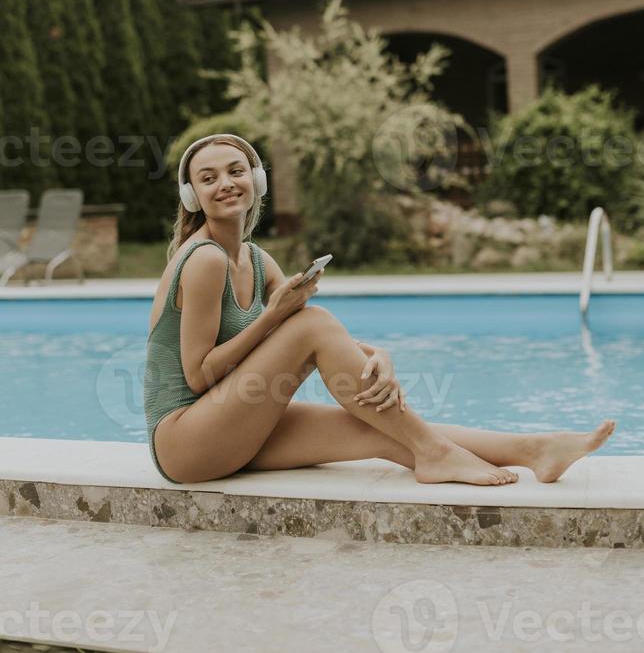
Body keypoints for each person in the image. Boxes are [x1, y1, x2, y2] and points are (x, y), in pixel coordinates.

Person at [144, 132, 615, 486]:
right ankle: (434, 452)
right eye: (208, 179)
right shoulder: (204, 260)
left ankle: (535, 450)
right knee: (311, 320)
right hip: (186, 442)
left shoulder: (256, 257)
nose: (225, 184)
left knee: (372, 427)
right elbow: (198, 376)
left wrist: (375, 355)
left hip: (228, 425)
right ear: (192, 196)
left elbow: (315, 345)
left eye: (235, 170)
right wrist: (274, 314)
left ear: (257, 179)